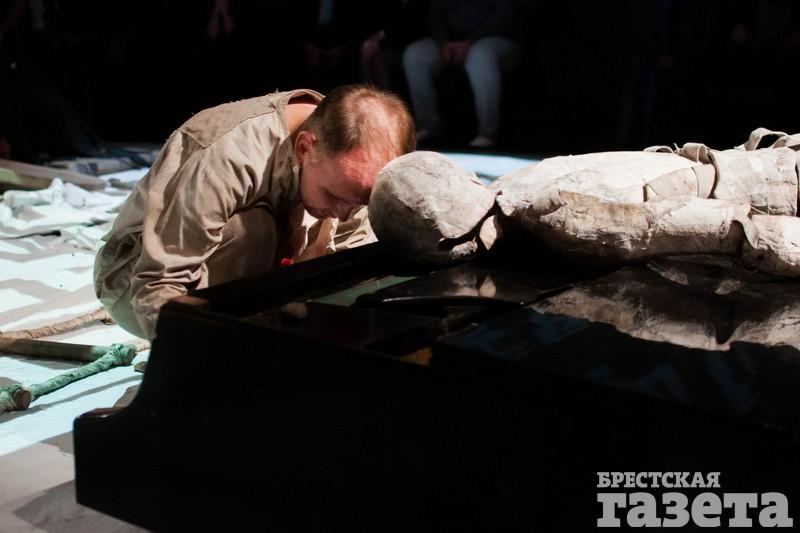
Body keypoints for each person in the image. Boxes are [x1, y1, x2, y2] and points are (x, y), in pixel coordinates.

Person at [94, 84, 415, 340]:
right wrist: (191, 358)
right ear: (305, 147)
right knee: (255, 229)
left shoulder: (349, 165)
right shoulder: (228, 158)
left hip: (254, 275)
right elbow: (158, 285)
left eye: (359, 200)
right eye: (333, 195)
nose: (344, 214)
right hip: (132, 284)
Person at [402, 0, 522, 148]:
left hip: (497, 39)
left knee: (480, 56)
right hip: (451, 43)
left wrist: (470, 41)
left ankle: (488, 132)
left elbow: (504, 15)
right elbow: (436, 15)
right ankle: (429, 125)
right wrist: (443, 42)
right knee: (415, 54)